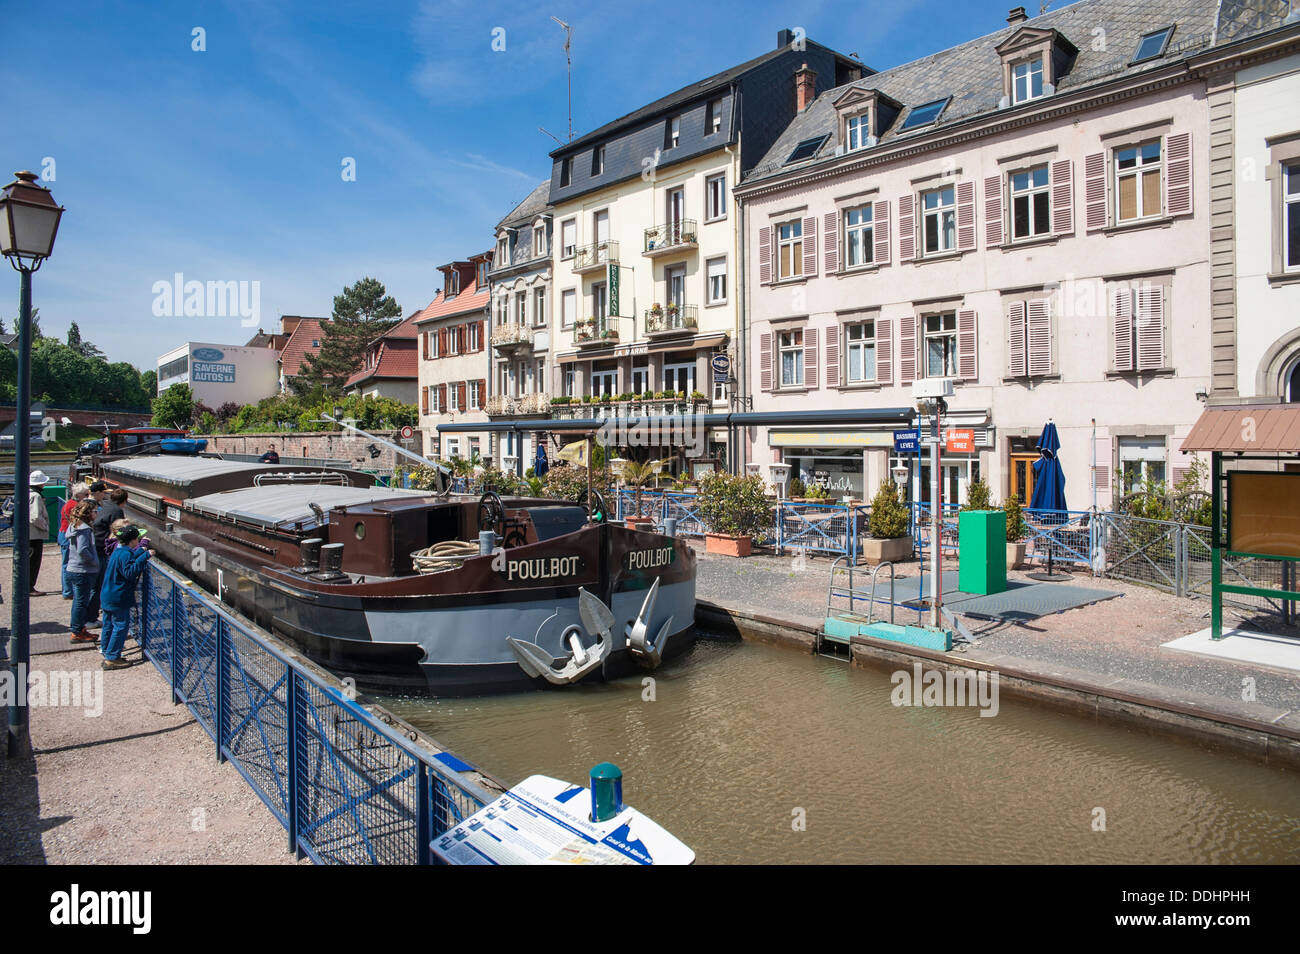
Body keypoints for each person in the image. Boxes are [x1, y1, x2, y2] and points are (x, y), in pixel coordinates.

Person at [98, 525, 151, 670]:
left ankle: (107, 650)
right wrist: (145, 555)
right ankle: (112, 658)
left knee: (108, 624)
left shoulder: (118, 551)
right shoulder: (125, 554)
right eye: (137, 540)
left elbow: (129, 558)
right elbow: (129, 572)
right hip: (118, 596)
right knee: (121, 626)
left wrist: (141, 551)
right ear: (133, 540)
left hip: (107, 594)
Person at [87, 486, 127, 625]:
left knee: (97, 585)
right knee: (98, 584)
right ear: (124, 500)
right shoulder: (117, 511)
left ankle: (92, 614)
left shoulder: (105, 505)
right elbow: (119, 531)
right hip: (101, 549)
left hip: (96, 546)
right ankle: (91, 617)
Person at [65, 500, 100, 644]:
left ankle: (78, 628)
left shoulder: (74, 525)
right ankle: (77, 631)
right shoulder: (84, 529)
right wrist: (94, 562)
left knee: (79, 601)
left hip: (73, 568)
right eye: (95, 511)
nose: (97, 514)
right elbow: (82, 550)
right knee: (81, 602)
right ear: (88, 513)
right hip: (82, 570)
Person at [58, 483, 90, 599]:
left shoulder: (69, 504)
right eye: (86, 494)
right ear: (79, 494)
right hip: (68, 536)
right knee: (67, 564)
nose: (88, 496)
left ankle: (67, 590)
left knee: (66, 563)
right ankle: (67, 591)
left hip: (64, 534)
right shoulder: (74, 506)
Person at [27, 470, 50, 596]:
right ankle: (30, 587)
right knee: (34, 561)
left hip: (27, 533)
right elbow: (35, 516)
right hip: (34, 534)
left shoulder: (27, 493)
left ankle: (27, 585)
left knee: (28, 560)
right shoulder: (36, 496)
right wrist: (45, 527)